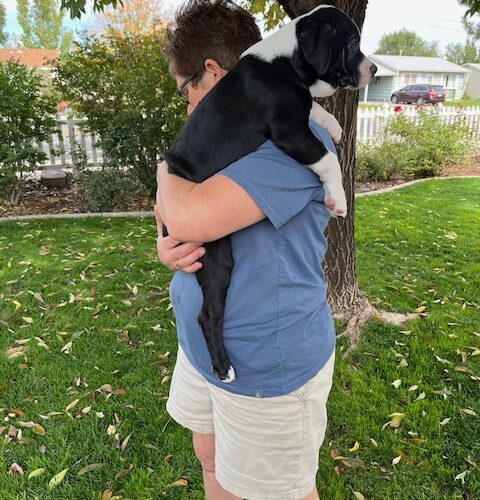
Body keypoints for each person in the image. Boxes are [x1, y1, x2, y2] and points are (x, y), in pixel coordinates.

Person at [155, 1, 337, 498]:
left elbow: (185, 209)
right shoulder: (220, 134)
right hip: (202, 348)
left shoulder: (297, 141)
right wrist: (165, 247)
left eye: (185, 89)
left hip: (266, 367)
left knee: (278, 492)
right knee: (211, 460)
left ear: (211, 71)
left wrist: (163, 172)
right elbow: (172, 217)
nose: (188, 106)